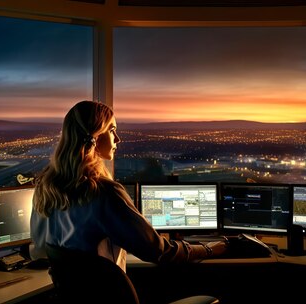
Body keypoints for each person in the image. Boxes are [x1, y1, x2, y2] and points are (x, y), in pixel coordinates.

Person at [30, 100, 227, 271]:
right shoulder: (105, 193)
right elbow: (158, 251)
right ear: (94, 136)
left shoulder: (45, 187)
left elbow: (38, 250)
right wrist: (209, 248)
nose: (118, 139)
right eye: (112, 130)